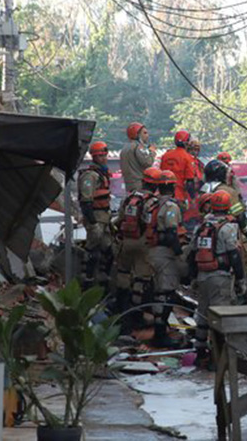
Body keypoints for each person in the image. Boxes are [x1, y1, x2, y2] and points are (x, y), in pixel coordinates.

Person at [189, 190, 246, 369]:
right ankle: (217, 359)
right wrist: (241, 280)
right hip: (220, 277)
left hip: (202, 276)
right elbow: (234, 256)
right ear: (228, 206)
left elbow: (192, 253)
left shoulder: (202, 225)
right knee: (220, 318)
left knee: (202, 316)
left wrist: (193, 277)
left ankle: (199, 354)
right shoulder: (228, 227)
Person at [112, 166, 161, 329]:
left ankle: (119, 307)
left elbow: (119, 219)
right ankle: (134, 315)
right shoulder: (153, 202)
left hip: (126, 241)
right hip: (142, 243)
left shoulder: (129, 197)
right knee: (141, 279)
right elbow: (152, 223)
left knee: (123, 274)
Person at [149, 169, 185, 347]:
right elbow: (171, 233)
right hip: (164, 254)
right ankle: (160, 335)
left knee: (159, 294)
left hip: (152, 251)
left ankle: (159, 331)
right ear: (172, 186)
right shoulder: (170, 207)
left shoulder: (153, 204)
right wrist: (179, 254)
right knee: (167, 294)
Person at [78, 141, 114, 289]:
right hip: (95, 218)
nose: (104, 158)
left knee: (109, 249)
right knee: (92, 251)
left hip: (104, 218)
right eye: (100, 156)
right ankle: (86, 281)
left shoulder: (101, 175)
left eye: (105, 155)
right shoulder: (90, 176)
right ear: (94, 157)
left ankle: (104, 279)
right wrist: (92, 223)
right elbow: (86, 202)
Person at [159, 130, 198, 204]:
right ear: (187, 142)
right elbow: (189, 182)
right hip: (178, 196)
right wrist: (193, 198)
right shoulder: (188, 158)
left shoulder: (165, 155)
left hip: (163, 195)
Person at [120, 122, 156, 193]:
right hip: (139, 185)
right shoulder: (138, 147)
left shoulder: (125, 148)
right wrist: (152, 152)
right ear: (137, 134)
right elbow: (147, 162)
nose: (147, 136)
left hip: (129, 185)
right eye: (144, 133)